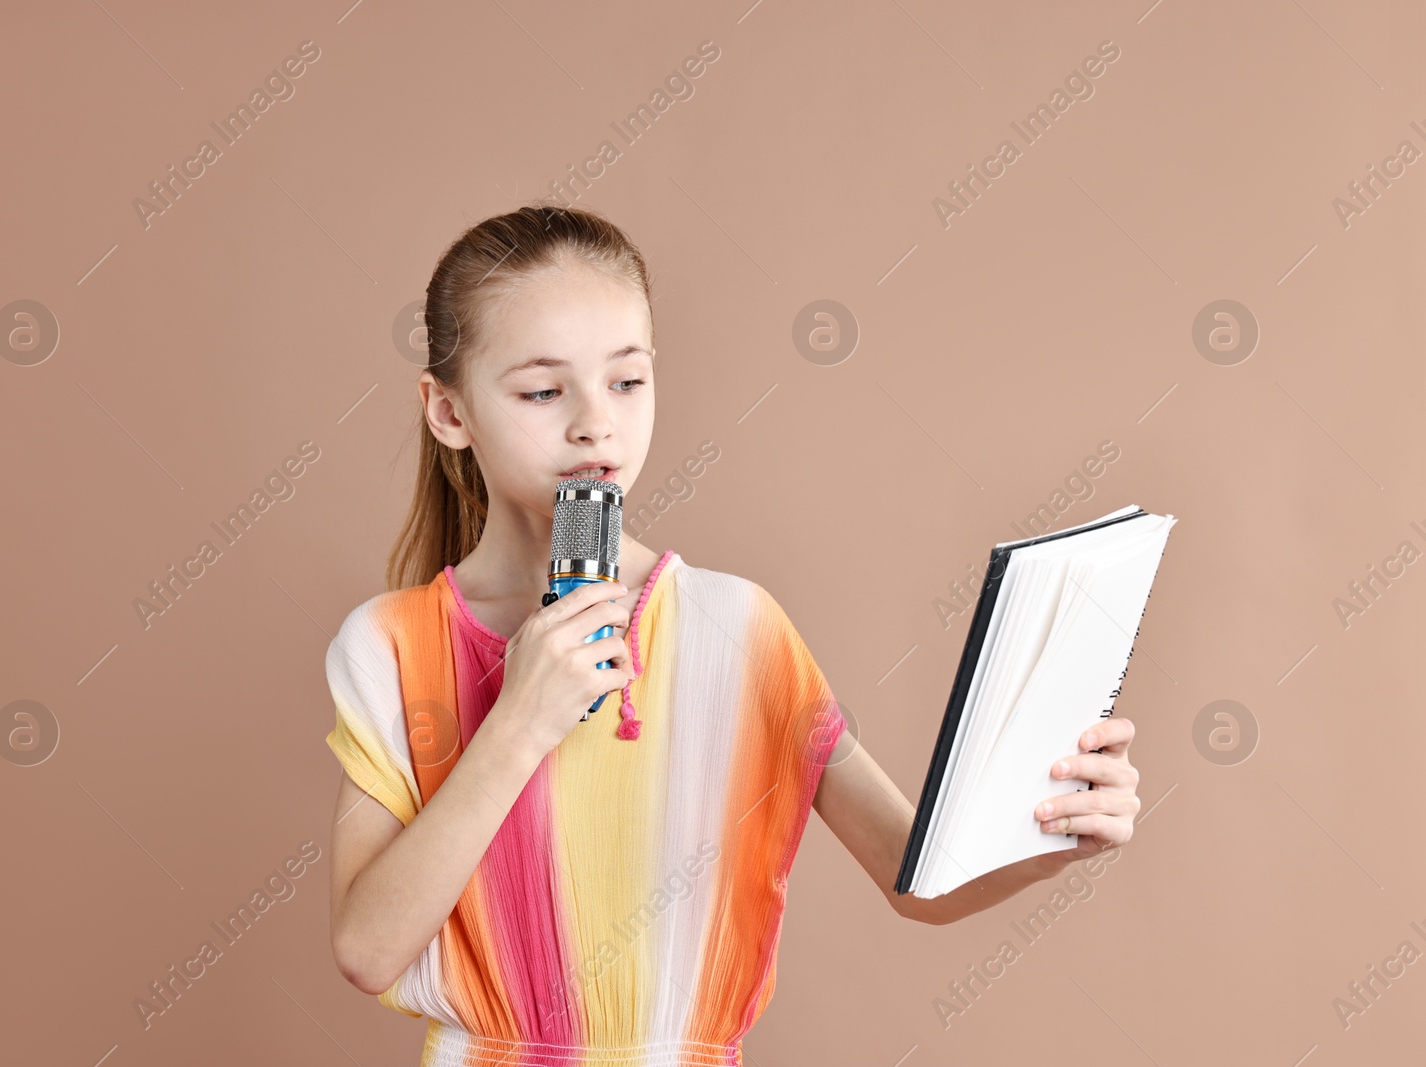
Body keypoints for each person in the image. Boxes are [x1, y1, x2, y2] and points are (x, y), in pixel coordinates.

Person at [324, 205, 1142, 1066]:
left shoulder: (739, 627)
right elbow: (368, 947)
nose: (595, 423)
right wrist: (520, 720)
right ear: (449, 412)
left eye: (627, 381)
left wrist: (1051, 836)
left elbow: (919, 880)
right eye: (540, 390)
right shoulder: (388, 645)